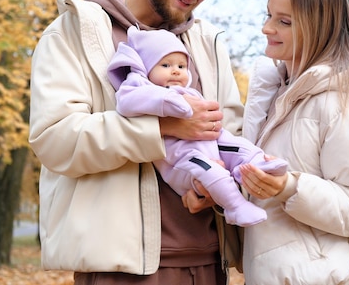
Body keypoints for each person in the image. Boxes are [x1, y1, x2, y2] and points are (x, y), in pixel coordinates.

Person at [29, 0, 244, 285]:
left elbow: (231, 135)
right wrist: (161, 127)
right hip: (120, 271)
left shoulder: (208, 44)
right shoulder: (74, 31)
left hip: (209, 266)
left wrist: (212, 187)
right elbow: (55, 140)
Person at [238, 0, 349, 284]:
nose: (266, 28)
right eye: (269, 15)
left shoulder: (340, 103)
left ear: (318, 27)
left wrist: (291, 188)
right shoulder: (280, 97)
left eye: (284, 21)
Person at [107, 26, 287, 227]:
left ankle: (257, 164)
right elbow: (126, 102)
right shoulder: (143, 88)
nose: (175, 70)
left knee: (239, 146)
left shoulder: (188, 92)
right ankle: (236, 207)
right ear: (147, 68)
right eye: (165, 65)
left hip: (211, 143)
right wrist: (167, 100)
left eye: (182, 66)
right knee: (211, 170)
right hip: (183, 160)